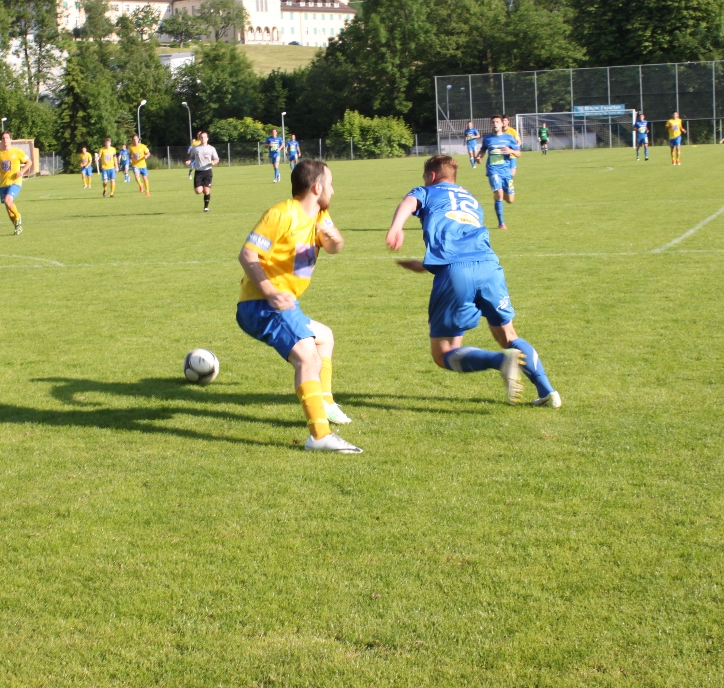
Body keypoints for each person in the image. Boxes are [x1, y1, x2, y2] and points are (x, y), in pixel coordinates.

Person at [385, 154, 560, 408]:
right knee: (508, 335)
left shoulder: (426, 191)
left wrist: (396, 227)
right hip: (489, 268)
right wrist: (425, 265)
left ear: (431, 176)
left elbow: (409, 202)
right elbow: (464, 241)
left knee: (444, 352)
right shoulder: (470, 200)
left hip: (456, 273)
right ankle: (548, 392)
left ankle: (500, 361)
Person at [236, 159, 359, 453]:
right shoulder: (281, 214)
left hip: (286, 304)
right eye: (330, 184)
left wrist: (336, 240)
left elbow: (333, 246)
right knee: (307, 357)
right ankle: (319, 436)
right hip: (262, 304)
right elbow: (247, 255)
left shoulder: (320, 215)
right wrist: (270, 291)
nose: (333, 190)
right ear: (317, 188)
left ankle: (325, 403)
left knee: (324, 337)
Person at [476, 115, 519, 229]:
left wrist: (510, 151)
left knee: (510, 200)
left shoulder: (509, 138)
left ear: (502, 124)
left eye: (497, 122)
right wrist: (479, 157)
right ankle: (501, 223)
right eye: (493, 122)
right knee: (499, 193)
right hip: (493, 170)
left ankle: (498, 196)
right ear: (491, 124)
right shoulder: (487, 139)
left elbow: (519, 153)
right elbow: (482, 150)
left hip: (506, 171)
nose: (495, 124)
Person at [0, 131, 31, 236]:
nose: (5, 140)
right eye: (3, 138)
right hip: (3, 184)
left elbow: (29, 162)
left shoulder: (17, 152)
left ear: (11, 139)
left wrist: (22, 172)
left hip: (15, 182)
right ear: (1, 140)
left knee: (8, 201)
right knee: (9, 210)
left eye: (7, 138)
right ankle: (17, 227)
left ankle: (18, 217)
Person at [185, 131, 220, 212]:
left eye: (205, 137)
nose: (203, 138)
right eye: (201, 137)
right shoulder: (195, 148)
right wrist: (189, 161)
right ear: (199, 138)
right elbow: (192, 157)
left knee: (206, 190)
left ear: (207, 138)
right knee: (198, 191)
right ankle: (204, 190)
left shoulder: (211, 148)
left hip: (208, 171)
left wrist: (214, 162)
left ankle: (206, 207)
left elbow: (217, 159)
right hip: (198, 172)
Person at [502, 116, 520, 185]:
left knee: (512, 174)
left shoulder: (512, 131)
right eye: (502, 120)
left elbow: (519, 141)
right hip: (502, 157)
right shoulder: (499, 131)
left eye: (505, 120)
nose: (504, 122)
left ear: (508, 121)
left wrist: (514, 149)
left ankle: (509, 188)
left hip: (512, 156)